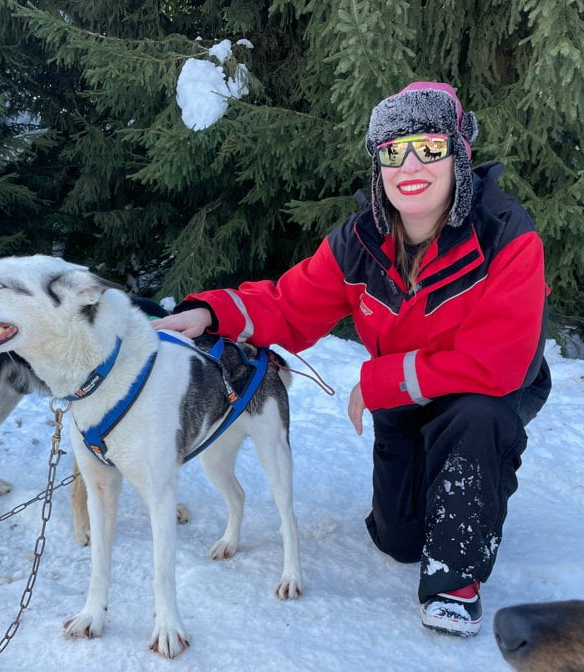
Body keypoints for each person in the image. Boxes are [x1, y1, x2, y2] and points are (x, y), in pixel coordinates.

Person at [152, 81, 551, 638]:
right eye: (392, 151)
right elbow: (290, 305)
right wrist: (213, 313)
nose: (409, 164)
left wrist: (382, 380)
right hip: (403, 397)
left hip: (486, 390)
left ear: (458, 155)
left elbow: (500, 360)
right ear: (378, 166)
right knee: (398, 540)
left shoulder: (507, 233)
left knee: (476, 422)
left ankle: (456, 578)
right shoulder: (359, 241)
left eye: (428, 148)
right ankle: (444, 490)